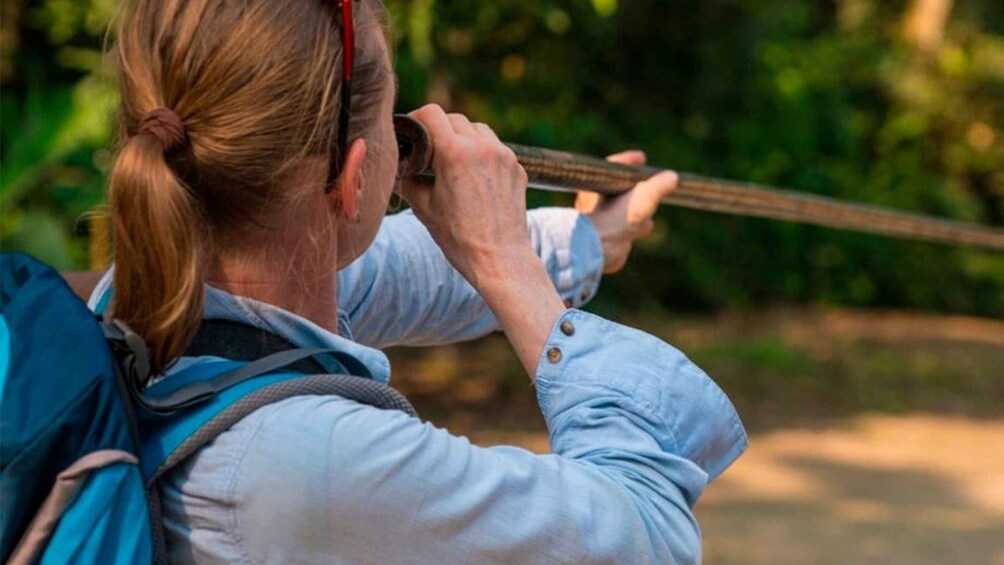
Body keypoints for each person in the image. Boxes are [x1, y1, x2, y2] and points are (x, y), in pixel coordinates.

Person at [77, 0, 747, 562]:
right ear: (354, 174)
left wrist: (585, 240)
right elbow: (646, 531)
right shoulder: (309, 459)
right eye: (395, 119)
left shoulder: (144, 302)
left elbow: (399, 268)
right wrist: (507, 264)